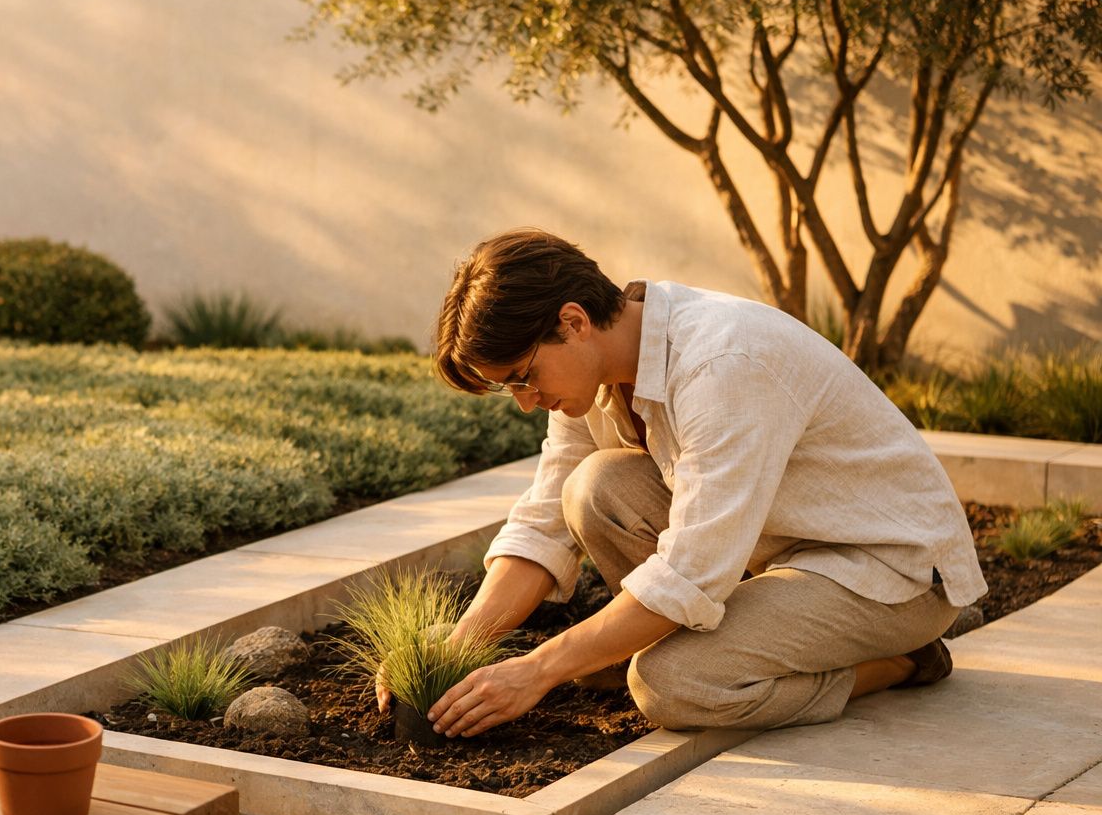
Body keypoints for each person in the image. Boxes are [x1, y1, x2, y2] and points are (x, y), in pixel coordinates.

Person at [397, 228, 986, 739]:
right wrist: (461, 646)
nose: (526, 402)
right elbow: (545, 519)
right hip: (779, 551)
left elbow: (690, 572)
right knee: (593, 486)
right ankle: (670, 638)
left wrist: (540, 669)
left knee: (672, 683)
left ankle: (900, 662)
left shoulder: (722, 364)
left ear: (572, 322)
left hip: (886, 572)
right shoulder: (592, 371)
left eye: (523, 378)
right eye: (510, 388)